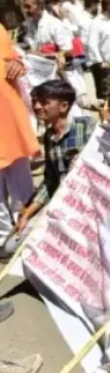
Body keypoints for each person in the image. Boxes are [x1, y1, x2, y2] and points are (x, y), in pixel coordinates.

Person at [12, 80, 96, 237]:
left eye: (44, 102)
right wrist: (28, 212)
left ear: (63, 106)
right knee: (14, 242)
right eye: (35, 101)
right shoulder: (49, 137)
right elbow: (51, 181)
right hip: (63, 203)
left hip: (89, 204)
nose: (36, 107)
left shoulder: (88, 127)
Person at [0, 25, 39, 246]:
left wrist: (17, 64)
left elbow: (13, 57)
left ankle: (26, 227)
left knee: (20, 177)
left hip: (8, 116)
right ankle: (3, 235)